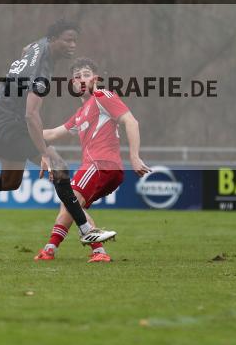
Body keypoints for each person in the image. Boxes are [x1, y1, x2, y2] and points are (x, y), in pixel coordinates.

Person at [0, 20, 117, 245]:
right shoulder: (42, 72)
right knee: (58, 166)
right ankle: (86, 230)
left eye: (75, 41)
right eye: (68, 40)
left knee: (10, 181)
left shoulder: (39, 46)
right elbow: (31, 115)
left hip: (2, 114)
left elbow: (25, 50)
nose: (73, 45)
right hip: (12, 121)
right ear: (53, 39)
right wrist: (44, 153)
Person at [33, 58, 151, 263]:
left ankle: (81, 250)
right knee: (71, 204)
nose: (81, 80)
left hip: (100, 165)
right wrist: (24, 133)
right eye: (76, 77)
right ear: (72, 84)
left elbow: (131, 121)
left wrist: (134, 156)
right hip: (104, 169)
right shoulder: (80, 114)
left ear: (95, 78)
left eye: (86, 75)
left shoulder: (102, 96)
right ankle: (55, 250)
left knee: (71, 201)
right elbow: (52, 133)